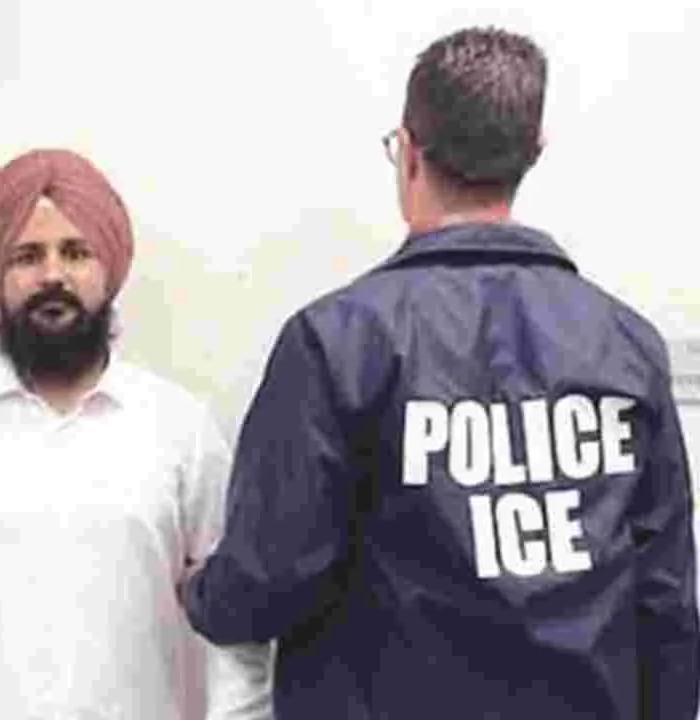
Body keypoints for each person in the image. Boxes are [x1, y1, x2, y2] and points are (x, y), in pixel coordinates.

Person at [183, 26, 700, 720]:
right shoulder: (628, 346)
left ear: (408, 152)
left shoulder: (336, 341)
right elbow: (666, 602)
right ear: (533, 150)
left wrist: (201, 592)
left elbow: (268, 580)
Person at [0, 148, 272, 719]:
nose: (53, 275)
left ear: (109, 271)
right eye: (27, 256)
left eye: (75, 252)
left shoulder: (180, 427)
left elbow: (234, 627)